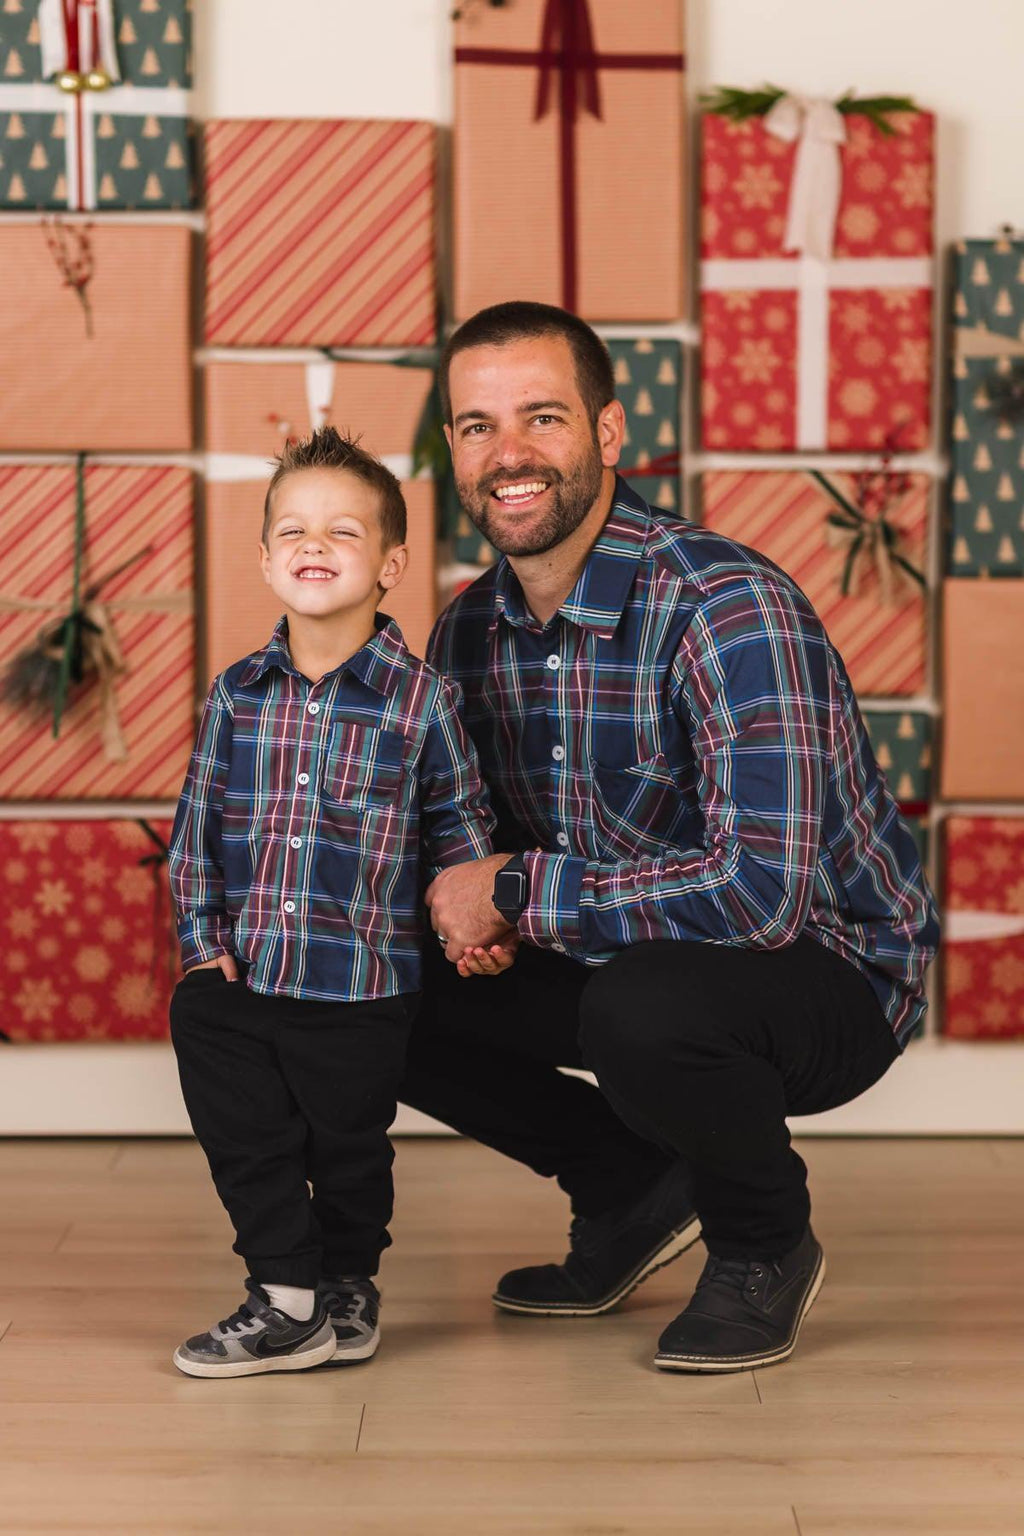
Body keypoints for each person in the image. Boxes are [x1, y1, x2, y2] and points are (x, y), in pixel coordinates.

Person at [404, 301, 940, 1374]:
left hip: (826, 969)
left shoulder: (724, 604)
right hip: (619, 951)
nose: (507, 454)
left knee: (644, 1004)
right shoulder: (466, 630)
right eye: (475, 426)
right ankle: (622, 1189)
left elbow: (759, 898)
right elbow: (475, 859)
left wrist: (513, 892)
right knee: (365, 968)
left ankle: (762, 1244)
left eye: (541, 418)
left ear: (606, 435)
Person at [167, 428, 502, 1378]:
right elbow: (197, 830)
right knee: (249, 1125)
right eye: (295, 530)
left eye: (343, 532)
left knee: (349, 1146)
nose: (315, 546)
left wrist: (476, 922)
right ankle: (283, 1292)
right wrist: (201, 942)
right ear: (267, 556)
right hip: (246, 969)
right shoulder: (237, 695)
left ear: (391, 563)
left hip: (364, 976)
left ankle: (347, 1282)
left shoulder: (421, 700)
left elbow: (459, 826)